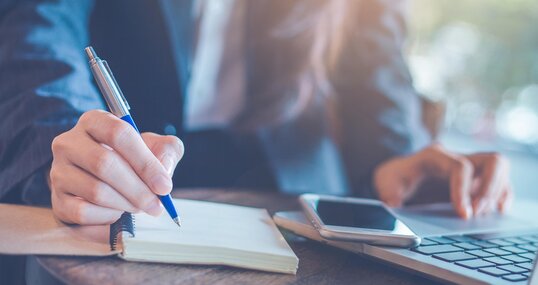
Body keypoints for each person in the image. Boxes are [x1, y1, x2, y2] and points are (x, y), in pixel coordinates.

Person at [0, 0, 512, 228]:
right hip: (125, 172)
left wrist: (395, 159)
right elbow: (36, 31)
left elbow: (371, 60)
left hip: (289, 187)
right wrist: (62, 142)